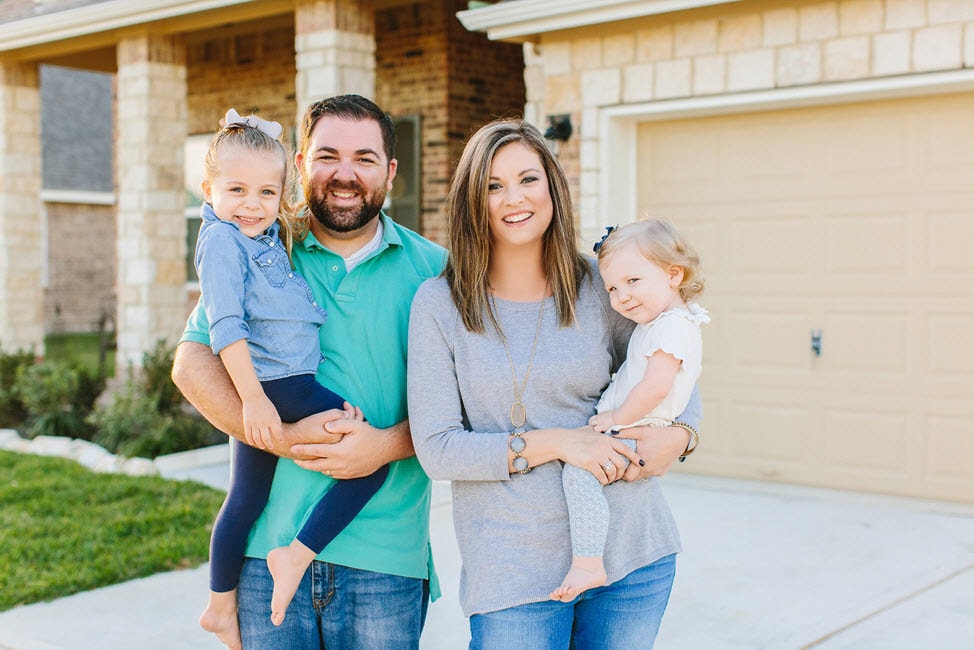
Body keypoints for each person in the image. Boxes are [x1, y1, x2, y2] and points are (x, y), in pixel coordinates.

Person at [406, 117, 701, 649]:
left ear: (552, 186)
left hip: (632, 555)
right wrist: (560, 443)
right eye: (493, 185)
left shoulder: (601, 284)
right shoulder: (440, 305)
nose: (513, 198)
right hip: (513, 574)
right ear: (474, 200)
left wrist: (679, 438)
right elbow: (438, 450)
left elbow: (674, 370)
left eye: (527, 179)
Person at [172, 95, 446, 649]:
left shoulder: (435, 271)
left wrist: (385, 446)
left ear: (391, 172)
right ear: (300, 164)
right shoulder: (260, 244)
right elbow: (192, 363)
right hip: (261, 556)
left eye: (365, 158)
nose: (345, 174)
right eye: (328, 156)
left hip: (385, 561)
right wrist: (283, 438)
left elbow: (465, 405)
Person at [551, 218, 709, 602]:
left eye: (633, 281)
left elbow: (655, 386)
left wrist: (615, 419)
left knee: (580, 474)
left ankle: (589, 562)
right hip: (633, 424)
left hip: (636, 429)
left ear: (674, 274)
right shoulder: (662, 323)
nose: (621, 296)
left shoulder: (672, 328)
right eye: (612, 288)